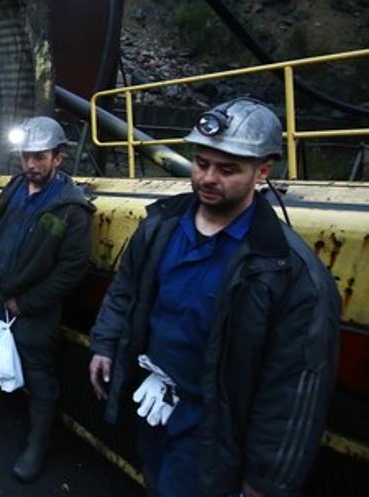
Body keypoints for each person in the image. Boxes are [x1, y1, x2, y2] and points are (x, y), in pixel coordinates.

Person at [88, 98, 340, 496]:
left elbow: (293, 390)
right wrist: (104, 343)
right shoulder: (162, 226)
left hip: (213, 433)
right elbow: (127, 289)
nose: (207, 178)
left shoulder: (288, 273)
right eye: (201, 163)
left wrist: (265, 483)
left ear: (263, 172)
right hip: (154, 402)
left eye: (227, 170)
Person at [0, 116, 94, 482]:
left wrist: (29, 302)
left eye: (39, 157)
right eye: (25, 156)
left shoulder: (70, 209)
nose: (30, 164)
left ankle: (37, 446)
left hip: (34, 305)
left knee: (39, 373)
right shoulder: (14, 188)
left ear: (58, 158)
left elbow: (72, 269)